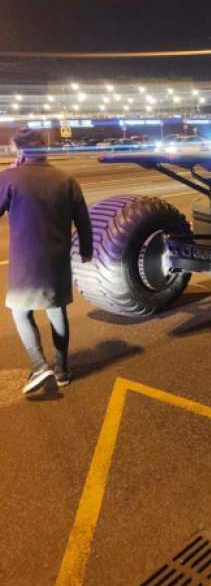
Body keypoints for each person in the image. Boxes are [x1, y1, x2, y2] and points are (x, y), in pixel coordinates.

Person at [0, 128, 93, 394]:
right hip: (57, 259)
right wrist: (86, 249)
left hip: (25, 263)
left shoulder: (9, 178)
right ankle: (62, 369)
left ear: (20, 151)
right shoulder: (66, 179)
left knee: (21, 311)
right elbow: (83, 220)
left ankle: (41, 365)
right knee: (56, 310)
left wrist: (8, 174)